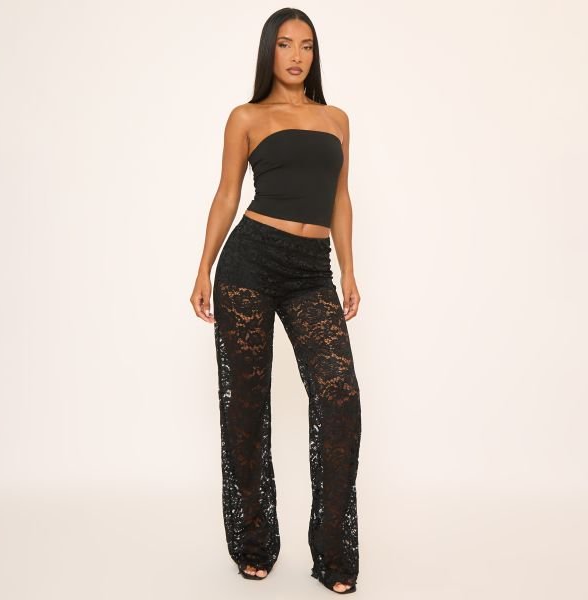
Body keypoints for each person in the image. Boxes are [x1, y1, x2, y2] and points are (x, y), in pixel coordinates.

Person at [190, 8, 362, 595]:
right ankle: (254, 544)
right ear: (269, 52)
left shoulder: (336, 119)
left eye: (306, 46)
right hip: (251, 263)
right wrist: (203, 267)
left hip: (312, 271)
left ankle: (333, 554)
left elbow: (340, 199)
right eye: (285, 44)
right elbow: (227, 193)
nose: (296, 56)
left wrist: (348, 270)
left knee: (339, 395)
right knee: (245, 407)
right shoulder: (247, 117)